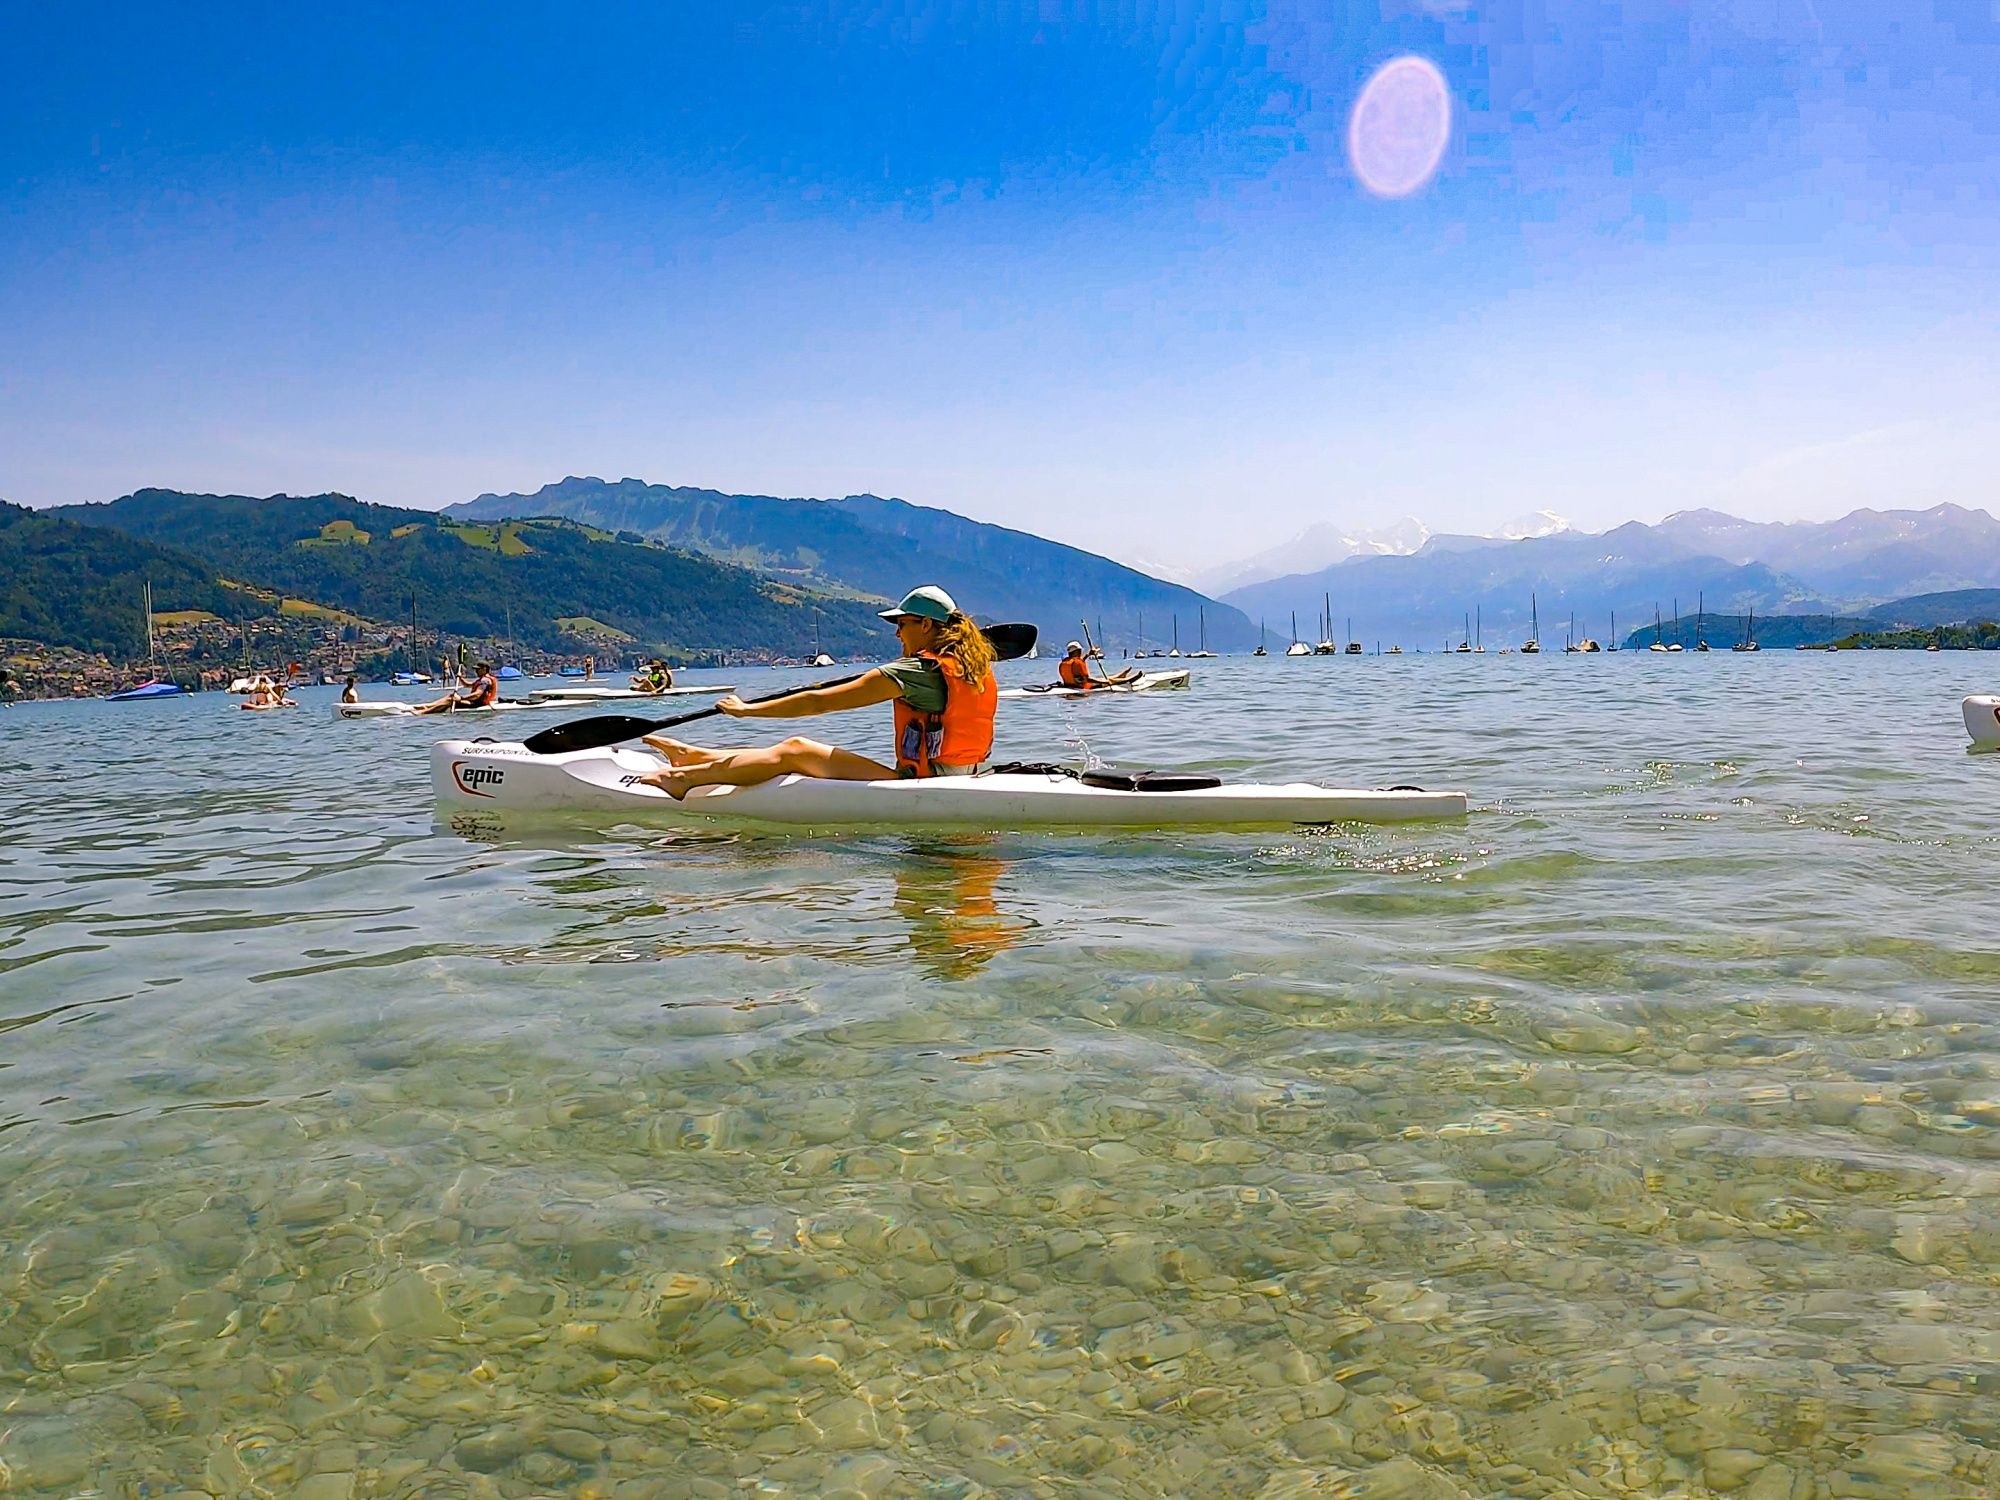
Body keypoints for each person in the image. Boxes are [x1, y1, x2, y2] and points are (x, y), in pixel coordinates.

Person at [638, 585, 996, 798]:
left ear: (927, 624)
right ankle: (697, 756)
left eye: (902, 624)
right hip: (958, 778)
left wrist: (748, 711)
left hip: (919, 786)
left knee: (796, 749)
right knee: (792, 749)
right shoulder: (972, 666)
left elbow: (818, 702)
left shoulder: (917, 670)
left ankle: (683, 780)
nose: (897, 633)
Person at [415, 660, 499, 715]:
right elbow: (468, 685)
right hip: (475, 702)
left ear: (484, 669)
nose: (476, 671)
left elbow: (477, 694)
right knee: (451, 696)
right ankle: (429, 706)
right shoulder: (482, 679)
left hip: (478, 704)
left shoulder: (485, 680)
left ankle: (425, 711)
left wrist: (460, 698)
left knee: (451, 700)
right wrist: (461, 678)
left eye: (478, 669)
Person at [1058, 641, 1140, 690]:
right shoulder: (1077, 662)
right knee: (1105, 681)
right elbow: (1087, 679)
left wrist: (1088, 655)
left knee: (1102, 679)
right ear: (1077, 651)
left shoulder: (1063, 663)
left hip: (1071, 685)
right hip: (1085, 687)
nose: (1081, 652)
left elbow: (1076, 666)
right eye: (1080, 651)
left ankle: (1120, 675)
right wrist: (1104, 682)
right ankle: (1127, 680)